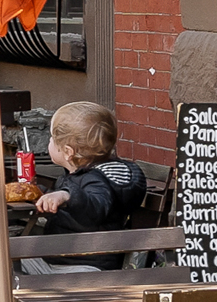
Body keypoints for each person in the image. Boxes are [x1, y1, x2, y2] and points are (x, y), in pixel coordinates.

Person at [28, 100, 150, 243]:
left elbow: (96, 205)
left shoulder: (96, 180)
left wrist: (66, 195)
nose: (49, 141)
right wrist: (41, 193)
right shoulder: (81, 176)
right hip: (65, 257)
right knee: (5, 259)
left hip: (84, 260)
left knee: (5, 261)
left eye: (53, 139)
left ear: (68, 152)